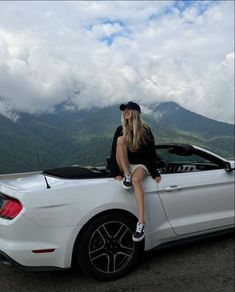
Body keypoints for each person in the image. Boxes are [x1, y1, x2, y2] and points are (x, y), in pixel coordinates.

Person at [110, 101, 161, 242]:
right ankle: (127, 175)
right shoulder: (120, 129)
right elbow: (113, 151)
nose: (125, 112)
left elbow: (151, 153)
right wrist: (115, 172)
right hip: (124, 164)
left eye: (128, 109)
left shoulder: (145, 130)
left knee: (137, 180)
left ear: (135, 112)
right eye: (123, 110)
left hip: (140, 165)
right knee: (121, 140)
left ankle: (141, 224)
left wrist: (154, 172)